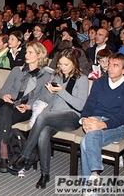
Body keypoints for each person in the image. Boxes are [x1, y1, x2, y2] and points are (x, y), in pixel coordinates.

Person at [9, 48, 89, 189]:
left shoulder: (81, 78)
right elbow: (46, 99)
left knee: (43, 116)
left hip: (71, 116)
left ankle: (25, 155)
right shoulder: (57, 76)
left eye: (66, 64)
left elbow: (80, 105)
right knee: (43, 134)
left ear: (74, 63)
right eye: (60, 64)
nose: (62, 68)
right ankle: (45, 174)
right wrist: (51, 91)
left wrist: (61, 91)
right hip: (53, 115)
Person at [0, 42, 51, 178]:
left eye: (31, 52)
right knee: (5, 109)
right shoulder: (17, 70)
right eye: (26, 52)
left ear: (39, 55)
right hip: (6, 103)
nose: (27, 55)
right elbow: (2, 90)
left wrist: (28, 106)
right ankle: (3, 155)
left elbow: (43, 98)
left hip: (24, 108)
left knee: (1, 119)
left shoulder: (45, 75)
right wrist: (5, 95)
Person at [79, 53, 124, 182]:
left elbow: (123, 116)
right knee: (89, 139)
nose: (109, 68)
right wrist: (85, 120)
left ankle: (93, 172)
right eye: (109, 64)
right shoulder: (99, 82)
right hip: (95, 120)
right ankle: (91, 184)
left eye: (115, 66)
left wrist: (103, 125)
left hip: (117, 126)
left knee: (87, 140)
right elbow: (89, 104)